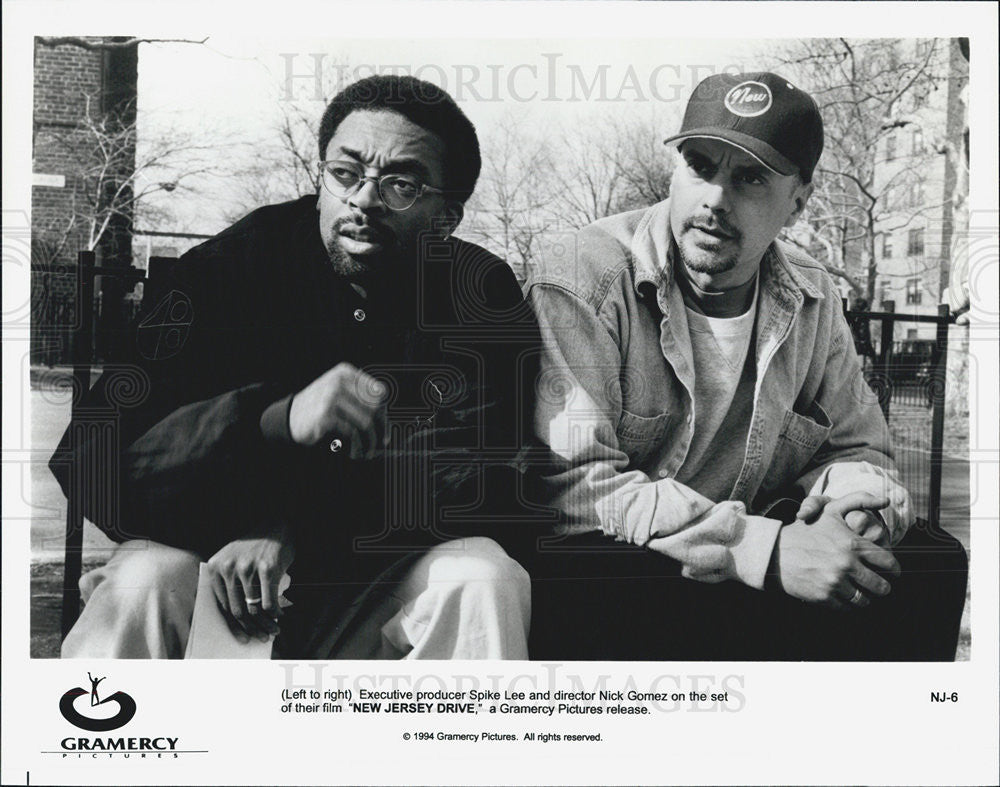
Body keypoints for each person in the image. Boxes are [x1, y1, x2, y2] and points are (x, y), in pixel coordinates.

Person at [52, 75, 541, 660]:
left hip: (371, 581)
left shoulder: (478, 291)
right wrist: (270, 420)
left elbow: (482, 475)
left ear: (447, 216)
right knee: (142, 582)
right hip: (216, 564)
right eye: (345, 172)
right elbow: (93, 459)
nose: (363, 198)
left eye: (402, 184)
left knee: (483, 577)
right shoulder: (227, 270)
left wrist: (289, 525)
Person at [526, 72, 968, 660]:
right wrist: (769, 552)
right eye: (700, 165)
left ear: (798, 201)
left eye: (750, 178)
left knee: (925, 561)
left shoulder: (812, 296)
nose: (714, 199)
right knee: (603, 568)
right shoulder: (584, 275)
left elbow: (860, 448)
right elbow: (577, 487)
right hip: (629, 555)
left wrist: (855, 513)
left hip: (750, 540)